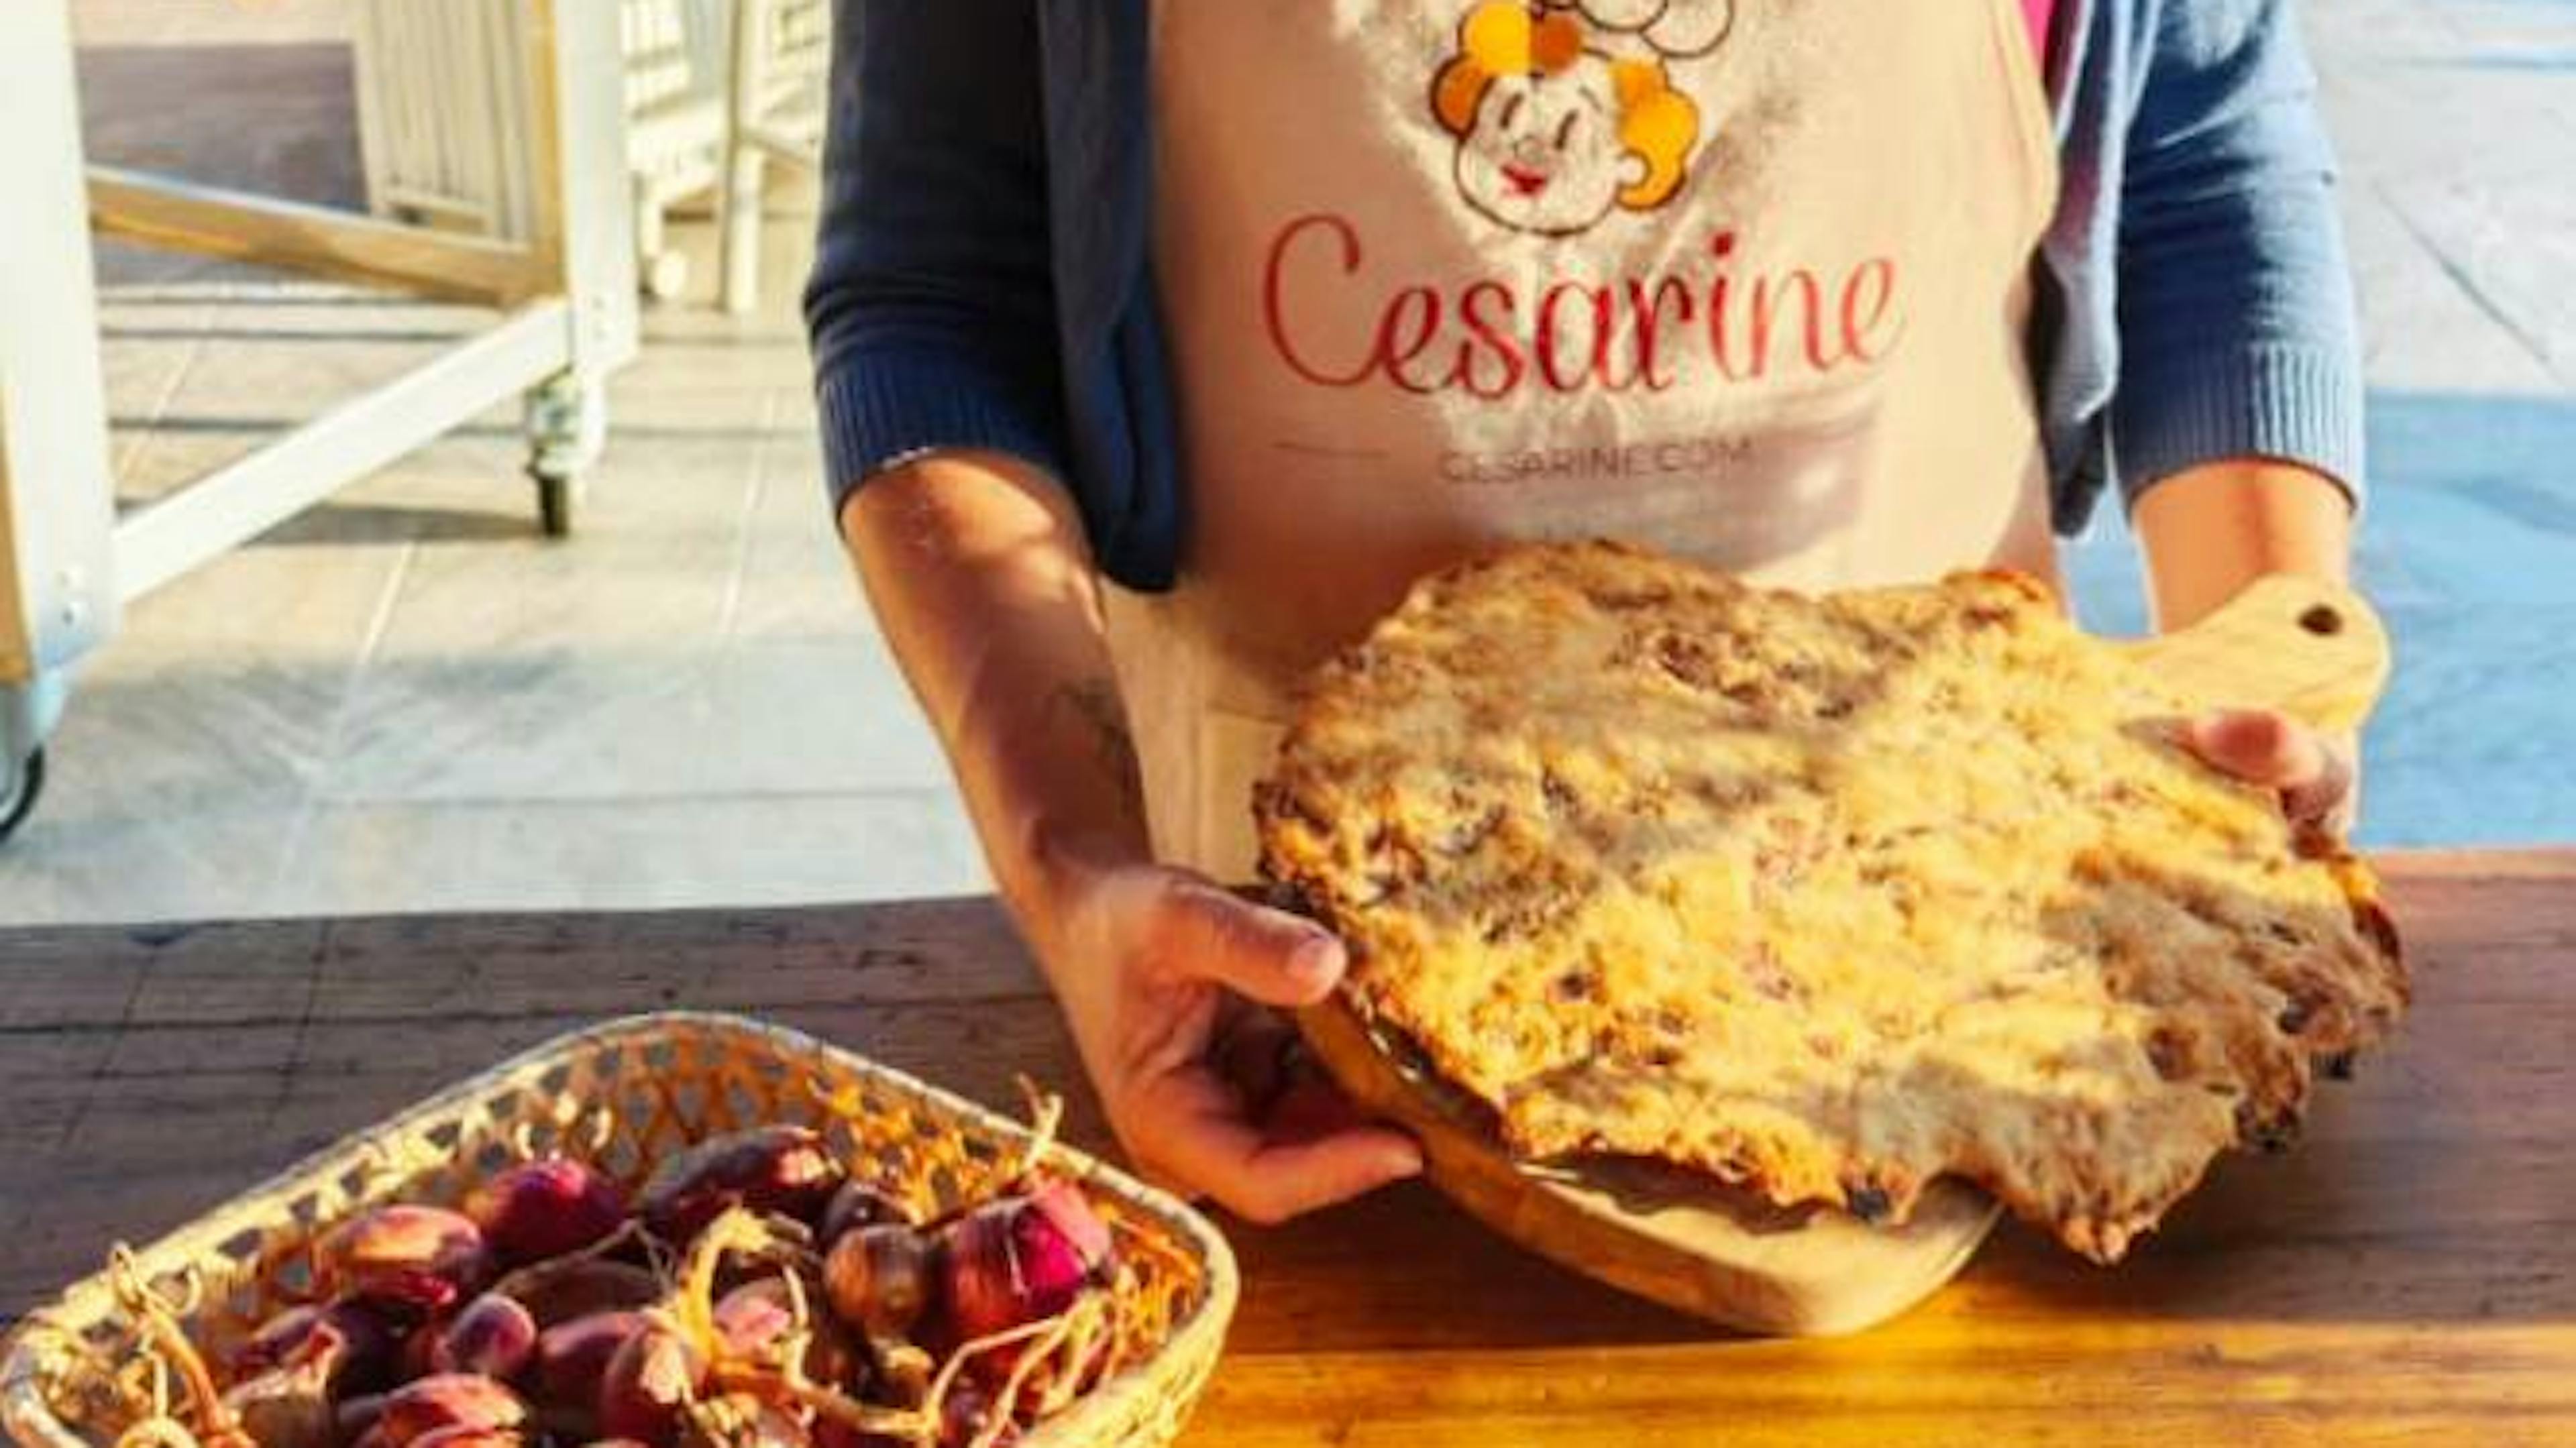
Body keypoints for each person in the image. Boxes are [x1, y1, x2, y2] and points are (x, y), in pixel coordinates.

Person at [802, 0, 2365, 1224]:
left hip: (1968, 982)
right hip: (1276, 1026)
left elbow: (2197, 172)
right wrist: (1078, 865)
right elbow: (940, 299)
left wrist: (2256, 659)